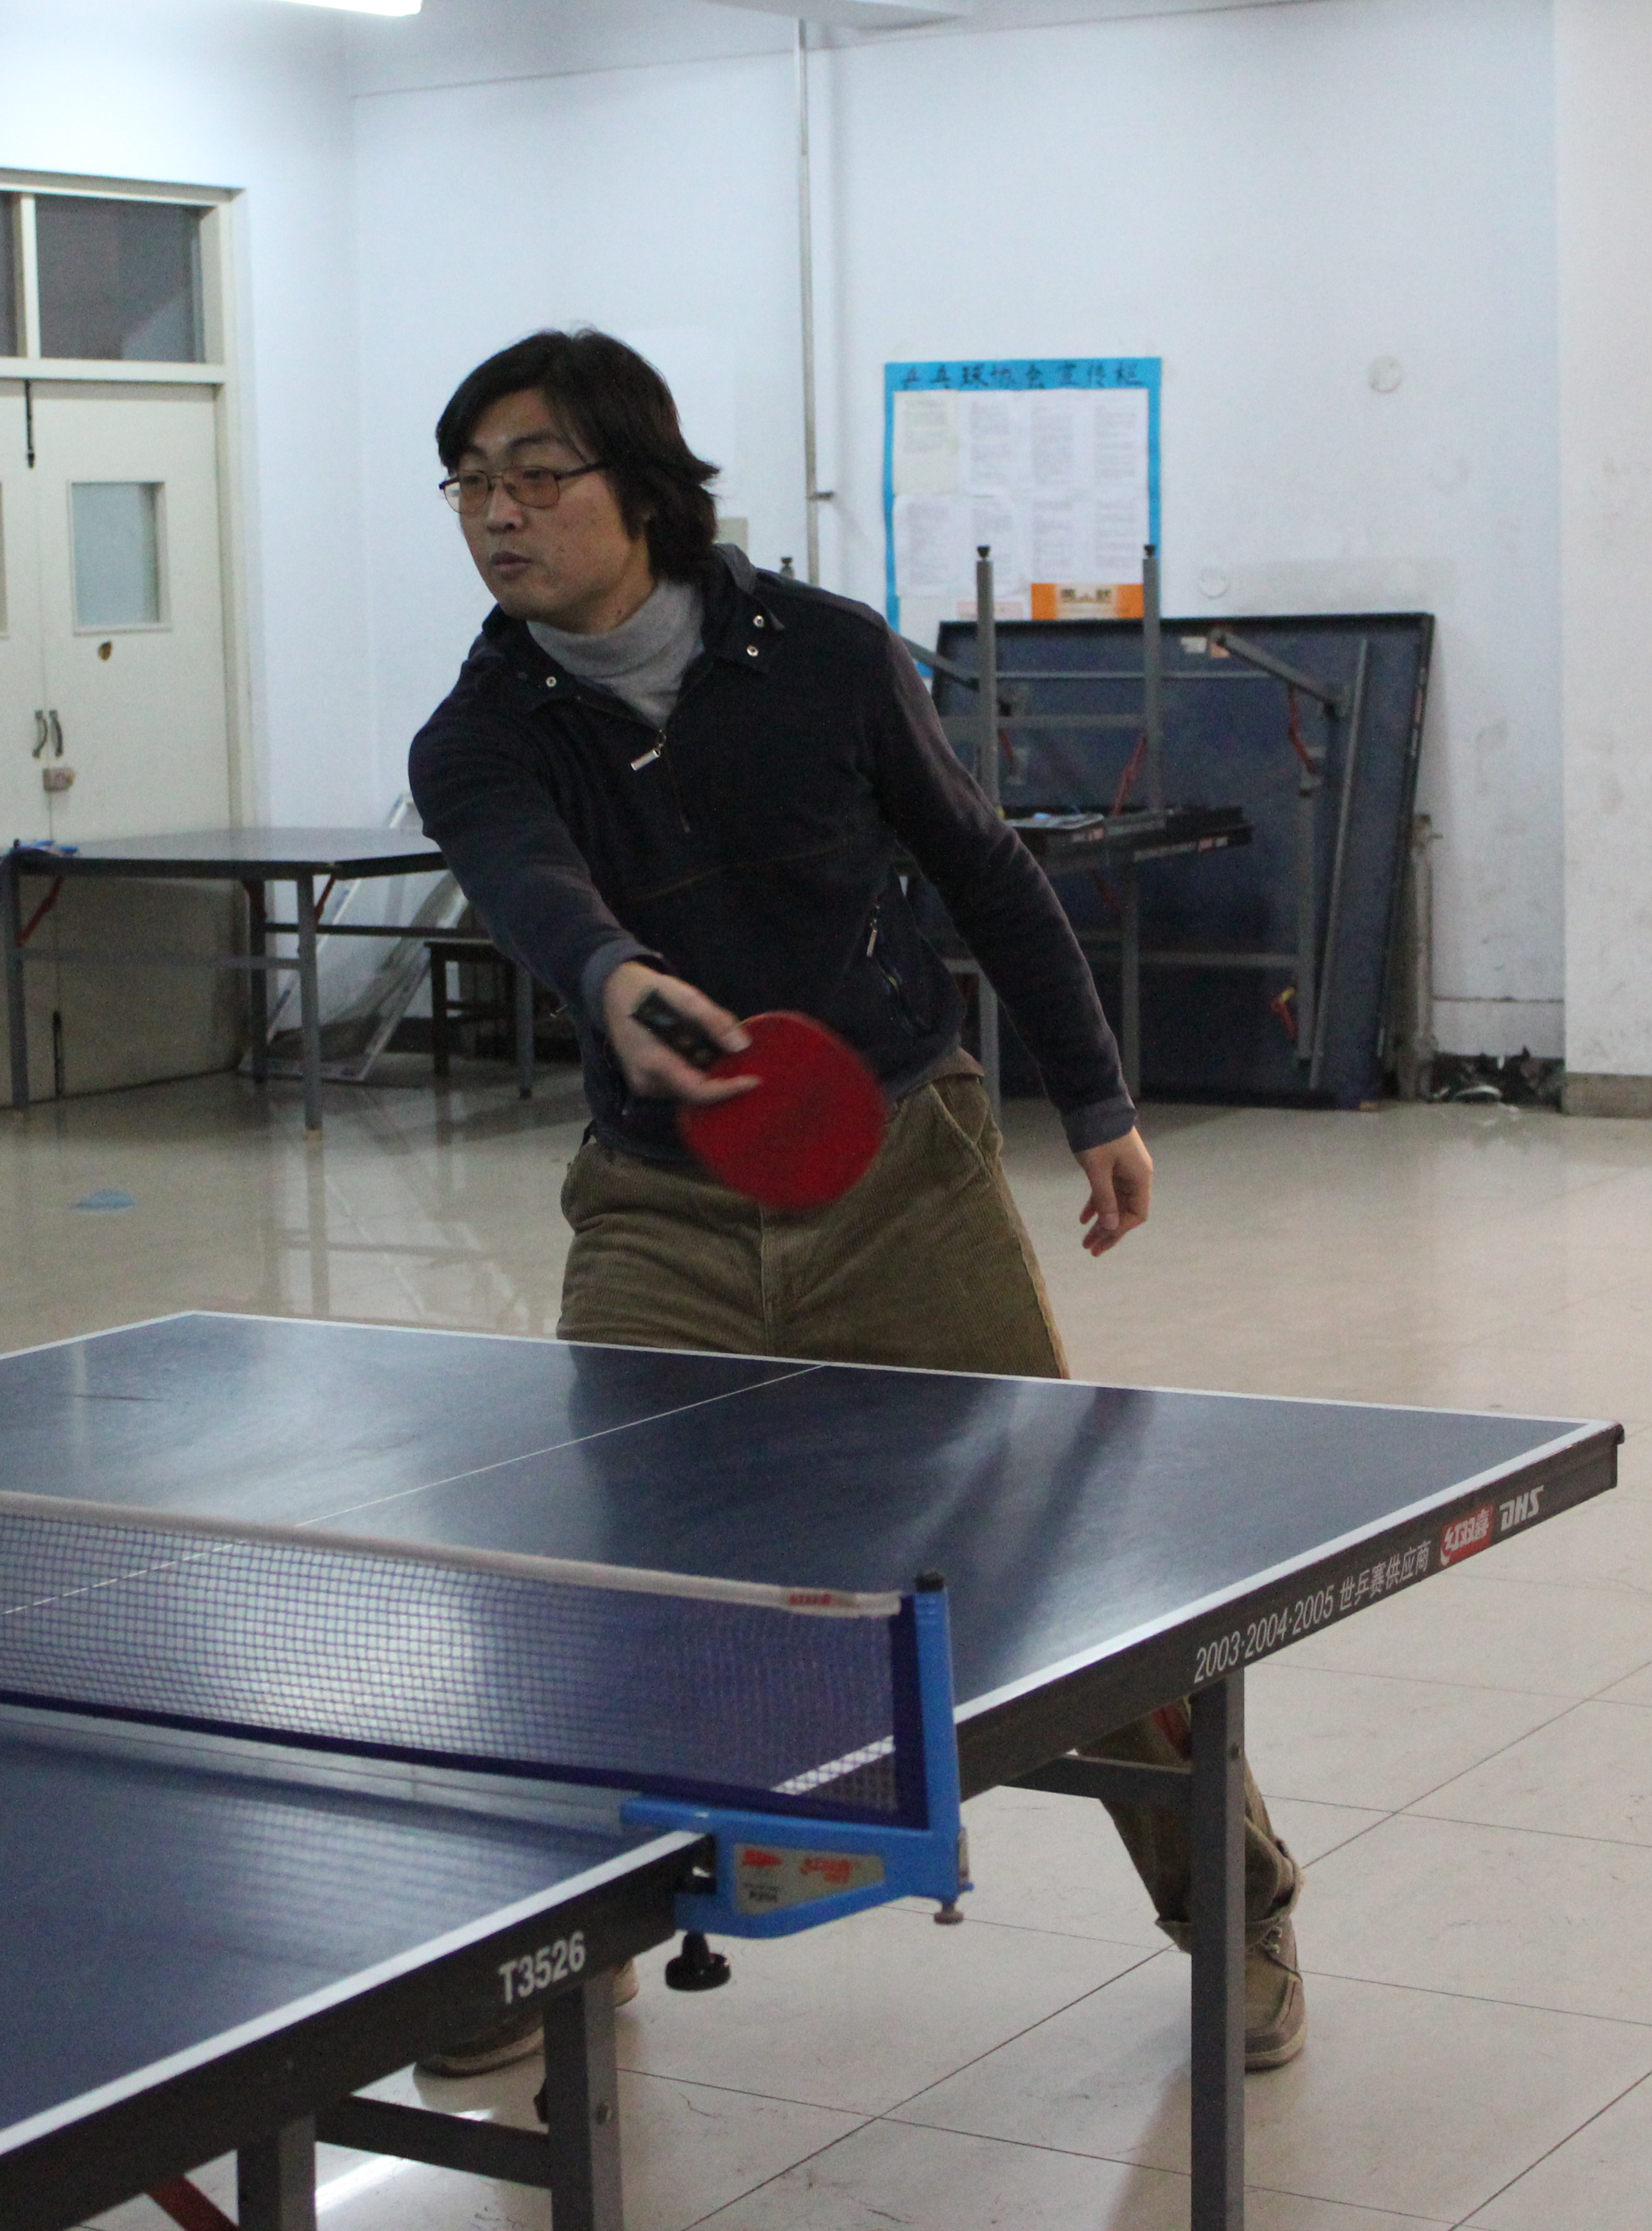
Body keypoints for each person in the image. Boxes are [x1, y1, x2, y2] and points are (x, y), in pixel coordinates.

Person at [405, 330, 1303, 2077]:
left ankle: (1237, 1906)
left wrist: (1097, 1100)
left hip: (903, 1170)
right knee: (602, 1589)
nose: (498, 513)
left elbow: (985, 867)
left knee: (1058, 1570)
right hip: (661, 1204)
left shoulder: (824, 654)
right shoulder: (480, 734)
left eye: (536, 475)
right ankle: (563, 1955)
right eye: (471, 483)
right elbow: (530, 884)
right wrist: (611, 978)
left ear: (638, 486)